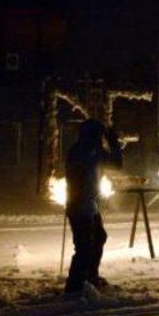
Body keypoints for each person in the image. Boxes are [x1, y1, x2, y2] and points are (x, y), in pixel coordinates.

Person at [64, 118, 122, 296]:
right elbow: (116, 164)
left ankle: (90, 277)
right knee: (84, 246)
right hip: (81, 205)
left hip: (89, 204)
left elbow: (114, 164)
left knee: (98, 238)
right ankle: (75, 285)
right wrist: (113, 143)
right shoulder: (89, 151)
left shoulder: (85, 149)